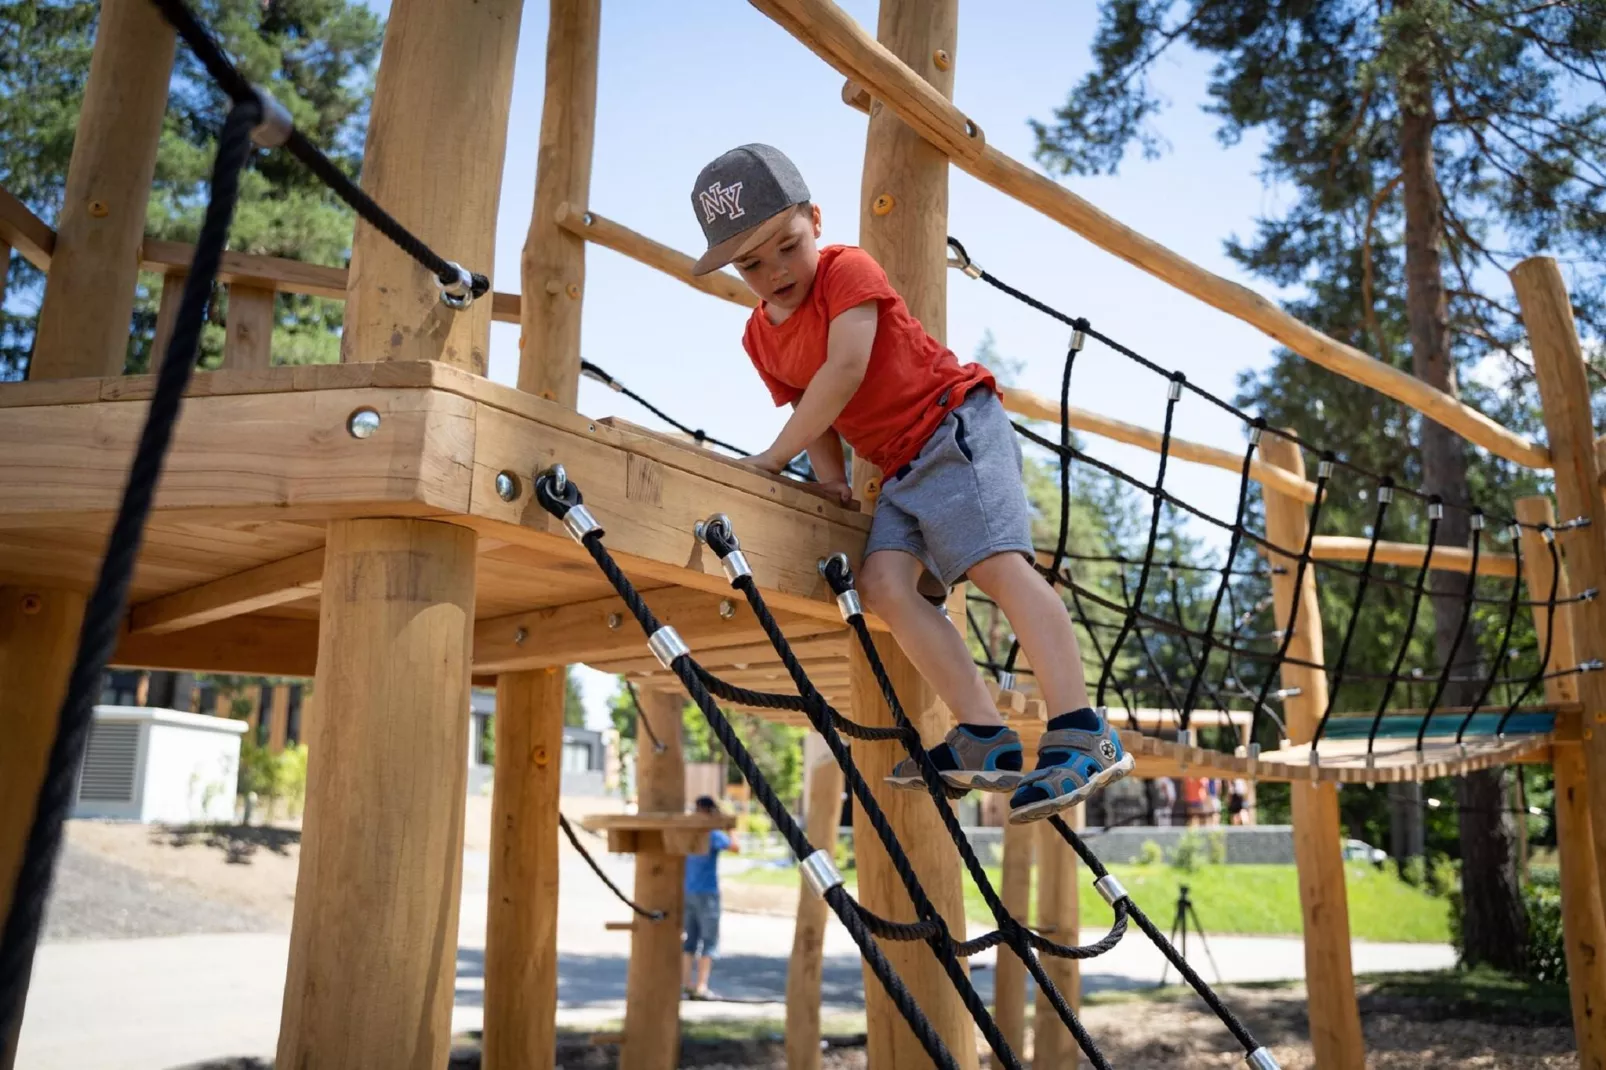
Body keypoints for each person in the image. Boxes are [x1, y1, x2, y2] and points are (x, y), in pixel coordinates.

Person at [688, 144, 1133, 824]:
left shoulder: (847, 271)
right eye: (751, 262)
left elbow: (842, 370)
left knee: (995, 566)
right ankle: (984, 734)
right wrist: (830, 482)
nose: (775, 270)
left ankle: (1080, 729)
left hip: (954, 429)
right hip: (896, 468)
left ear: (815, 219)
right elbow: (816, 413)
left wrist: (771, 461)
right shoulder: (760, 337)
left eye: (788, 245)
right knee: (884, 587)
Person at [682, 796, 737, 1000]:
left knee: (689, 940)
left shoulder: (688, 833)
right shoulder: (713, 834)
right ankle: (701, 986)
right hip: (708, 893)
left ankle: (686, 983)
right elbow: (734, 847)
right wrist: (729, 826)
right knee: (709, 941)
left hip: (688, 891)